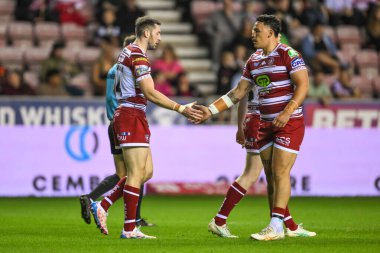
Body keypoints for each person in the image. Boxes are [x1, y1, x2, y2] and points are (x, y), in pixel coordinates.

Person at [193, 14, 313, 240]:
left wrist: (287, 112)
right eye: (252, 30)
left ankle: (278, 226)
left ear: (271, 32)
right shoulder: (254, 60)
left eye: (257, 30)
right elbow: (238, 93)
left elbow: (303, 85)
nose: (252, 34)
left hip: (289, 122)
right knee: (270, 177)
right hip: (265, 124)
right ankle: (282, 224)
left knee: (280, 172)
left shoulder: (289, 55)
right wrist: (210, 110)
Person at [90, 16, 202, 239]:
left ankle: (106, 204)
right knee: (135, 174)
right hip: (131, 114)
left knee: (145, 172)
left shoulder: (128, 52)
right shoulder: (138, 56)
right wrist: (180, 108)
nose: (160, 38)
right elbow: (150, 92)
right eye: (158, 33)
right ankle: (128, 227)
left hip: (133, 114)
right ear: (146, 33)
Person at [79, 35, 154, 228]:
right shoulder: (125, 69)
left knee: (125, 173)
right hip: (124, 122)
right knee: (138, 171)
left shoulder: (115, 68)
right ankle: (128, 216)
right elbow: (117, 98)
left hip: (117, 121)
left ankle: (92, 199)